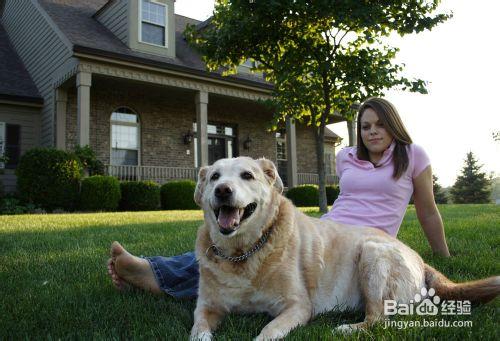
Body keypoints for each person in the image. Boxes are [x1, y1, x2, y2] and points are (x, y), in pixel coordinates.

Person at [107, 97, 450, 299]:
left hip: (363, 244)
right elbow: (346, 201)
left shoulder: (413, 156)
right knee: (242, 246)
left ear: (393, 125)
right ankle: (157, 271)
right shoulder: (347, 157)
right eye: (365, 126)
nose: (372, 131)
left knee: (254, 261)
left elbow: (428, 211)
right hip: (322, 230)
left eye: (379, 124)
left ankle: (156, 275)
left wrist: (442, 256)